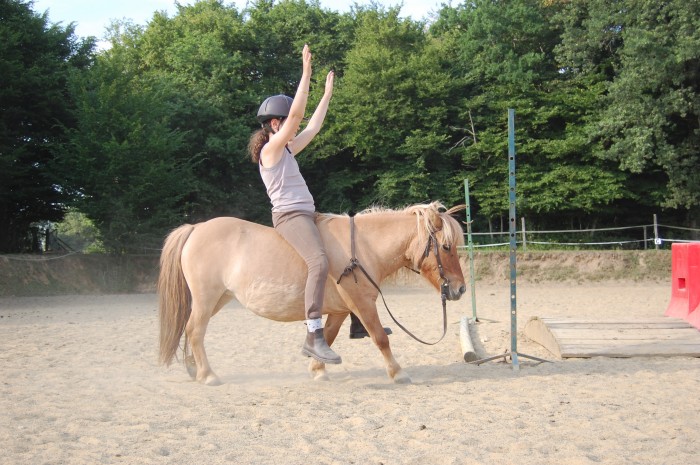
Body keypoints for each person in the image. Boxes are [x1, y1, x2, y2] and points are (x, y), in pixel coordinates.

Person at [248, 44, 341, 365]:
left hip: (308, 213)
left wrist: (327, 94)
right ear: (275, 124)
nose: (294, 126)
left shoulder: (287, 149)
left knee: (346, 249)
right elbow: (299, 115)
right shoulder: (271, 151)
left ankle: (356, 315)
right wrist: (306, 74)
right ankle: (314, 334)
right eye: (288, 123)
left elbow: (312, 125)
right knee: (318, 261)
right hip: (290, 217)